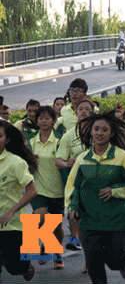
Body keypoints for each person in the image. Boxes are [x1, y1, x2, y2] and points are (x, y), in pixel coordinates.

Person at [65, 111, 125, 284]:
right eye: (96, 129)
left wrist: (114, 191)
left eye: (104, 130)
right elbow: (72, 186)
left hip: (116, 220)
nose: (99, 133)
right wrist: (73, 207)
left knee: (114, 260)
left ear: (111, 133)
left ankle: (121, 262)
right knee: (93, 263)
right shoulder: (83, 159)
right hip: (90, 220)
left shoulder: (123, 157)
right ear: (91, 132)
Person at [0, 120, 38, 281]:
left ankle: (25, 266)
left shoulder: (16, 162)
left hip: (12, 225)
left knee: (15, 267)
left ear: (7, 139)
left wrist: (10, 212)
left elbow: (32, 191)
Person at [55, 100, 94, 256]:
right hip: (53, 186)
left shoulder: (98, 131)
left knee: (85, 219)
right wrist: (66, 163)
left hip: (91, 181)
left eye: (87, 109)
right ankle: (37, 257)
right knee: (40, 215)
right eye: (80, 109)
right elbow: (58, 160)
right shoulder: (68, 135)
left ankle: (60, 255)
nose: (83, 111)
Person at [29, 106, 65, 269]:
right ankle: (41, 247)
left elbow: (64, 160)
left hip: (57, 188)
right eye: (41, 118)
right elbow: (24, 164)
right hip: (38, 189)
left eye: (47, 118)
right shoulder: (31, 141)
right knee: (40, 217)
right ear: (36, 121)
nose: (44, 121)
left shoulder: (60, 140)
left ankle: (56, 253)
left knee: (56, 226)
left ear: (53, 121)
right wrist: (31, 162)